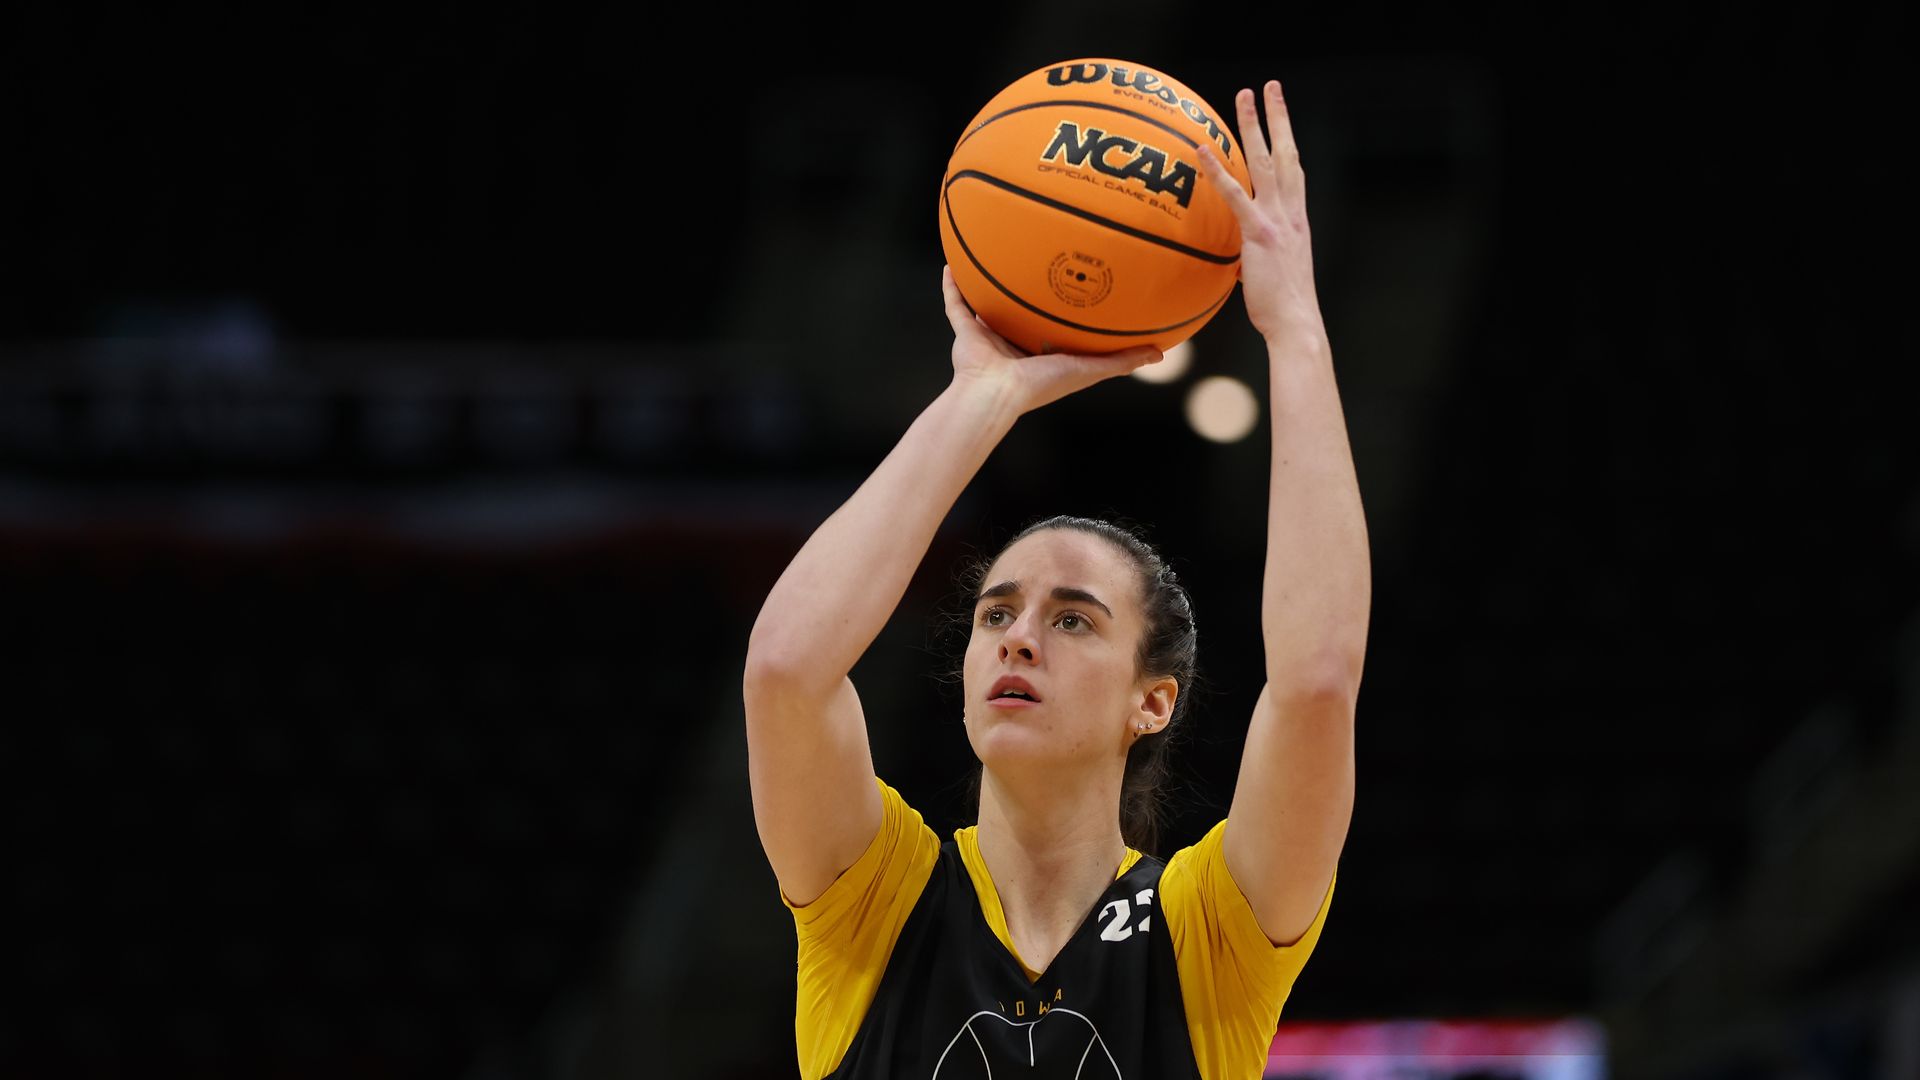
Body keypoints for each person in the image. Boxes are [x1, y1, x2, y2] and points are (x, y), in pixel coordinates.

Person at [744, 79, 1369, 1080]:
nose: (1019, 637)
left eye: (1074, 620)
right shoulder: (877, 901)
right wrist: (983, 397)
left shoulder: (1209, 933)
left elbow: (1319, 684)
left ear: (1152, 701)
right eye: (997, 613)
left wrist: (1294, 328)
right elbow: (785, 671)